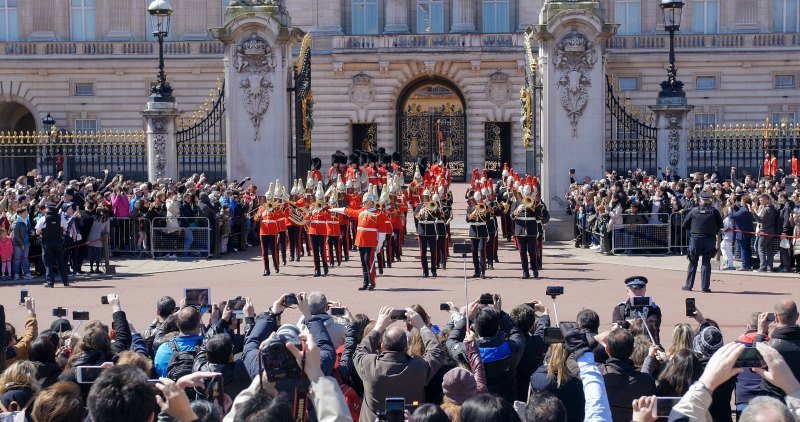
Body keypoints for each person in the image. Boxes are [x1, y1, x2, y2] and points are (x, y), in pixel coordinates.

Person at [354, 306, 444, 422]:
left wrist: (379, 327)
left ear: (382, 346)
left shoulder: (369, 365)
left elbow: (360, 351)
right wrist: (422, 326)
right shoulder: (418, 367)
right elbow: (436, 352)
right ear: (406, 348)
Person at [330, 187, 389, 291]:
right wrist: (334, 209)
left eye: (366, 201)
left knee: (369, 262)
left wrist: (380, 244)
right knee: (363, 262)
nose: (364, 203)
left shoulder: (378, 214)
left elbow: (382, 231)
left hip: (371, 242)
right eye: (364, 201)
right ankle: (365, 282)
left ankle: (372, 282)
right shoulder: (362, 211)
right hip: (361, 241)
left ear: (371, 202)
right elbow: (348, 211)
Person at [600, 328, 656, 421]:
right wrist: (650, 358)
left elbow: (575, 364)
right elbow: (644, 377)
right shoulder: (647, 381)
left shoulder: (598, 374)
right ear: (632, 350)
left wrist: (593, 340)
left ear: (607, 350)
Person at [756, 300, 800, 400]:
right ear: (797, 316)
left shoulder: (767, 347)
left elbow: (753, 361)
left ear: (776, 318)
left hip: (774, 401)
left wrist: (760, 334)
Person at [681, 191, 723, 292]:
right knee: (706, 262)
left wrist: (694, 228)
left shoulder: (694, 211)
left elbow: (684, 225)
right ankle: (705, 287)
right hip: (709, 239)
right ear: (709, 201)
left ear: (700, 200)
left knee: (693, 262)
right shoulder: (714, 211)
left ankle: (689, 285)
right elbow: (721, 225)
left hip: (696, 238)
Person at [153, 306, 204, 378]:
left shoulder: (162, 349)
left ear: (177, 324)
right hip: (199, 388)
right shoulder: (207, 347)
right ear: (199, 326)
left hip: (171, 388)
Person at [36, 204, 69, 288]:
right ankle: (65, 281)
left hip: (47, 243)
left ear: (48, 209)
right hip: (58, 242)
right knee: (61, 262)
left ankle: (50, 282)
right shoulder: (60, 217)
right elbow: (65, 228)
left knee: (48, 263)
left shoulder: (43, 218)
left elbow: (37, 232)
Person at [752, 193, 779, 272]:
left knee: (761, 249)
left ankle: (763, 266)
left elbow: (760, 220)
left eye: (761, 200)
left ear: (767, 200)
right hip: (771, 231)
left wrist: (753, 212)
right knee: (769, 249)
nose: (760, 201)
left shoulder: (766, 209)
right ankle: (770, 267)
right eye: (760, 200)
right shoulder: (773, 208)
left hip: (764, 231)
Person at [729, 196, 756, 271]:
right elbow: (739, 211)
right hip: (746, 233)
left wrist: (729, 208)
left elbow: (732, 216)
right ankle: (748, 264)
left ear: (745, 202)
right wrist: (734, 206)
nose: (740, 202)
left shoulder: (744, 210)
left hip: (742, 234)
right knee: (747, 249)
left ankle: (745, 266)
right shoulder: (746, 210)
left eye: (742, 201)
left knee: (744, 250)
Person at [10, 207, 32, 280]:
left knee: (25, 259)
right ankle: (16, 274)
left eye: (26, 212)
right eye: (24, 213)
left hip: (26, 243)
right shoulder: (16, 222)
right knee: (17, 259)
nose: (26, 214)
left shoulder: (27, 220)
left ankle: (27, 274)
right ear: (20, 214)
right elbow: (15, 235)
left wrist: (32, 231)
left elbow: (30, 228)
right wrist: (21, 244)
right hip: (18, 244)